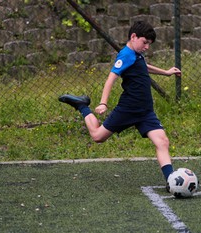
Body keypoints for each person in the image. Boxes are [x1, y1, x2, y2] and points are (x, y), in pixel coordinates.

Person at [59, 21, 181, 183]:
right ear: (133, 37)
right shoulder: (125, 55)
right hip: (128, 109)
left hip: (145, 111)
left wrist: (165, 72)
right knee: (97, 136)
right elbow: (111, 79)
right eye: (145, 42)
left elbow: (144, 66)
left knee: (162, 141)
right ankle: (82, 106)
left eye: (149, 44)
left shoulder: (137, 55)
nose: (147, 47)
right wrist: (103, 103)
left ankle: (171, 181)